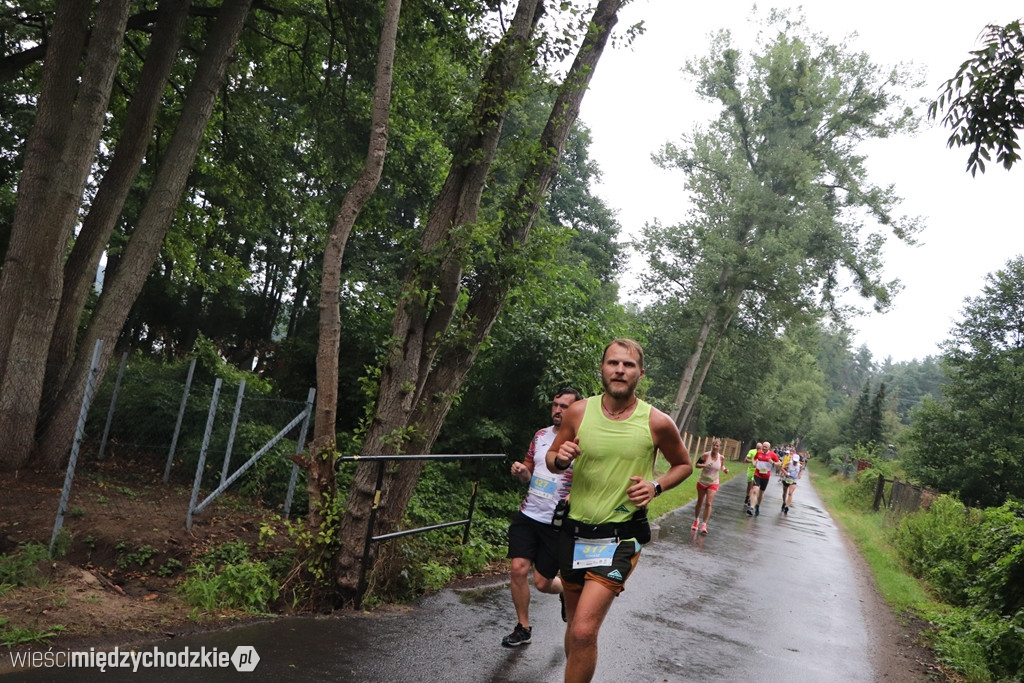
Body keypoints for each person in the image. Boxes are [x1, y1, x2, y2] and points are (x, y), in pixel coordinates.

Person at [545, 339, 692, 683]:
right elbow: (552, 460)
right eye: (613, 363)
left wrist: (656, 486)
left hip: (620, 537)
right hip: (574, 532)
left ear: (640, 373)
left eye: (627, 365)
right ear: (602, 369)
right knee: (575, 628)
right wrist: (560, 458)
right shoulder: (578, 412)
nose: (619, 370)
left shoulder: (657, 422)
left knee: (583, 631)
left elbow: (683, 465)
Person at [502, 388, 583, 648]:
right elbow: (530, 473)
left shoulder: (582, 442)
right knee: (517, 569)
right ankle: (523, 627)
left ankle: (561, 591)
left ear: (576, 410)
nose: (558, 410)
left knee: (541, 582)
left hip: (555, 523)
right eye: (555, 405)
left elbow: (588, 480)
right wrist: (522, 471)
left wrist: (573, 497)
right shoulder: (540, 436)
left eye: (565, 406)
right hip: (528, 514)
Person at [691, 438, 729, 535]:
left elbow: (721, 466)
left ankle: (704, 524)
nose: (715, 447)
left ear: (720, 447)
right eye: (714, 445)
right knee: (700, 502)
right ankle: (696, 520)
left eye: (717, 446)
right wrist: (704, 465)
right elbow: (696, 465)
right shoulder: (705, 455)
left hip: (713, 482)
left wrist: (724, 470)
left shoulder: (721, 458)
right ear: (712, 446)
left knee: (708, 503)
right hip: (702, 481)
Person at [749, 440, 781, 516]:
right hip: (757, 474)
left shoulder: (772, 455)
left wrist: (773, 463)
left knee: (761, 493)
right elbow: (754, 458)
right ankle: (751, 507)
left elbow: (779, 463)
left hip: (766, 476)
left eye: (766, 447)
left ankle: (757, 505)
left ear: (769, 448)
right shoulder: (759, 452)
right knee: (755, 490)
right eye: (763, 446)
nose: (764, 448)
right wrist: (754, 462)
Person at [744, 442, 762, 511]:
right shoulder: (752, 451)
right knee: (749, 485)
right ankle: (747, 496)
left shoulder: (762, 454)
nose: (758, 450)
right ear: (755, 447)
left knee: (754, 486)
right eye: (757, 448)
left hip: (758, 471)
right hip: (751, 470)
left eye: (760, 448)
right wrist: (752, 461)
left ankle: (750, 500)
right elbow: (746, 459)